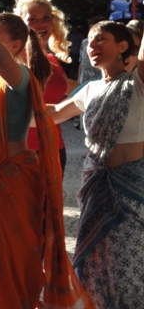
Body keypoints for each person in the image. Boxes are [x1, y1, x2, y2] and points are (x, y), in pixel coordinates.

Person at [0, 2, 91, 309]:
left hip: (9, 179)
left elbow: (1, 62)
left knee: (6, 260)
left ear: (15, 45)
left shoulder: (20, 75)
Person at [48, 21, 144, 308]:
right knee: (93, 263)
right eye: (89, 41)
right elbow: (50, 114)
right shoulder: (89, 90)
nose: (92, 46)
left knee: (128, 263)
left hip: (132, 193)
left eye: (101, 39)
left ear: (123, 46)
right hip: (97, 192)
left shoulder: (137, 82)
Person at [14, 0, 78, 172]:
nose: (40, 24)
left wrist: (108, 86)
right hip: (23, 150)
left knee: (51, 202)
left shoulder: (50, 59)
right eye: (32, 19)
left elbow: (70, 87)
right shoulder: (13, 60)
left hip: (55, 148)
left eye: (46, 18)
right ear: (21, 25)